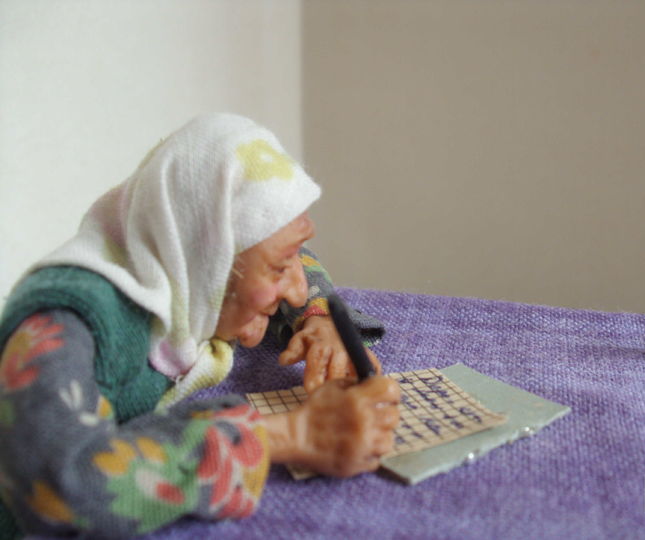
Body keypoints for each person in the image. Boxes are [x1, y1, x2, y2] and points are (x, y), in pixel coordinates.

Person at [0, 113, 400, 538]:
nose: (299, 291)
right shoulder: (64, 326)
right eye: (280, 268)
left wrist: (317, 318)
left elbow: (291, 253)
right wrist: (293, 433)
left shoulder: (169, 258)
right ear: (207, 257)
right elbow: (62, 491)